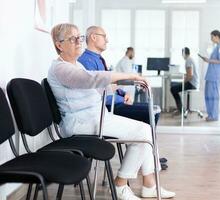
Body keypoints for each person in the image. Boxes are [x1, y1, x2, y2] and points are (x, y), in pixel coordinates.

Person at [48, 23, 175, 200]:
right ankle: (120, 186)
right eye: (72, 38)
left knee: (146, 130)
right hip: (80, 123)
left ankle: (149, 185)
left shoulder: (76, 65)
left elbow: (100, 86)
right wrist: (131, 76)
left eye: (79, 37)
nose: (78, 42)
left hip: (96, 117)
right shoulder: (60, 68)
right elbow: (91, 79)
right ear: (59, 45)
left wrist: (121, 90)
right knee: (143, 132)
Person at [78, 26, 168, 169]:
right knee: (150, 112)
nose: (107, 40)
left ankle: (148, 157)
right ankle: (147, 159)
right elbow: (98, 90)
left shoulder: (97, 59)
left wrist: (123, 93)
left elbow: (109, 82)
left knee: (153, 111)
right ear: (93, 37)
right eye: (104, 36)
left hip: (115, 101)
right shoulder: (86, 61)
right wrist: (115, 89)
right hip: (107, 107)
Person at [199, 30, 220, 121]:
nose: (211, 39)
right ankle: (210, 115)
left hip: (215, 76)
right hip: (211, 75)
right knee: (208, 95)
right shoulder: (216, 47)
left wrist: (209, 60)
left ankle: (214, 116)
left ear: (217, 37)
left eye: (212, 37)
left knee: (214, 97)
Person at [170, 47, 199, 115]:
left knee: (173, 89)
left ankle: (180, 110)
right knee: (174, 85)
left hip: (192, 84)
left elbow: (190, 76)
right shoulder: (191, 59)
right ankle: (180, 109)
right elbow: (190, 74)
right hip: (194, 83)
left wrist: (183, 82)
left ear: (183, 53)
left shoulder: (188, 60)